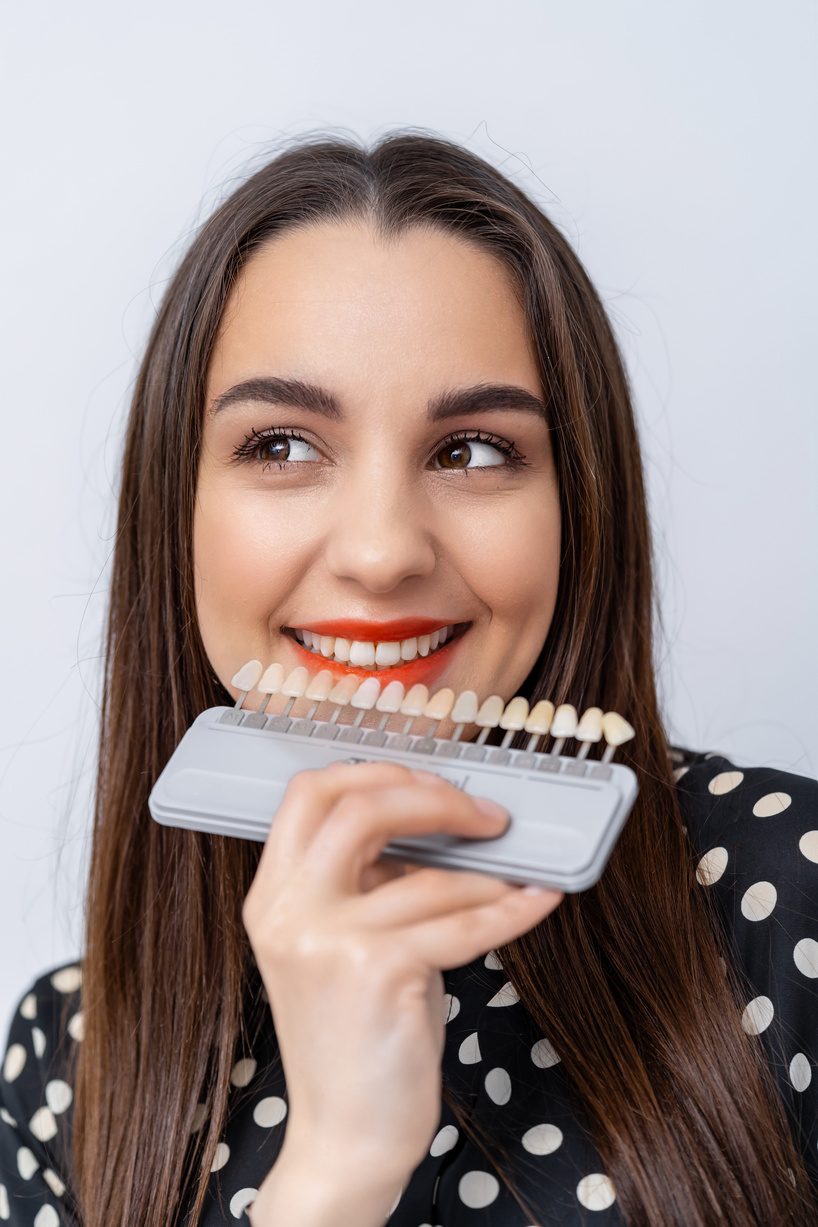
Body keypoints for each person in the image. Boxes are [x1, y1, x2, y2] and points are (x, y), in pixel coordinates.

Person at [1, 132, 816, 1227]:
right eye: (282, 444)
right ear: (175, 511)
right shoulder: (66, 1058)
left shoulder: (790, 894)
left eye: (472, 450)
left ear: (578, 504)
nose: (382, 551)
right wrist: (335, 1166)